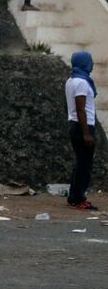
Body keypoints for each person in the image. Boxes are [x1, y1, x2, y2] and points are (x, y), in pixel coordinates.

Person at [65, 51, 99, 210]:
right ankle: (78, 199)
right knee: (84, 166)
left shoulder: (72, 80)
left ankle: (74, 197)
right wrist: (86, 133)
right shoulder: (81, 82)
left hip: (77, 125)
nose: (92, 64)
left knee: (80, 164)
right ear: (84, 62)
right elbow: (81, 109)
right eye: (90, 61)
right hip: (82, 126)